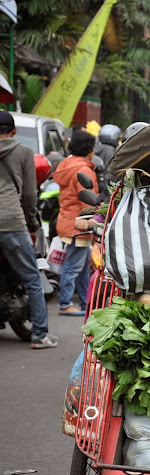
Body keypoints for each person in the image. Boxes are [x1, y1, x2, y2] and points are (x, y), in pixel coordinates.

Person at [0, 110, 57, 349]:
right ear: (13, 131)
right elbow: (30, 195)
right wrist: (32, 221)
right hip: (11, 221)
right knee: (33, 278)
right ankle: (40, 335)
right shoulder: (23, 152)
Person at [54, 129, 98, 316]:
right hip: (78, 225)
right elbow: (88, 203)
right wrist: (94, 224)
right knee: (73, 266)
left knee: (81, 267)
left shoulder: (66, 165)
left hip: (66, 220)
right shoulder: (83, 170)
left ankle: (86, 303)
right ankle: (65, 303)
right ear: (89, 148)